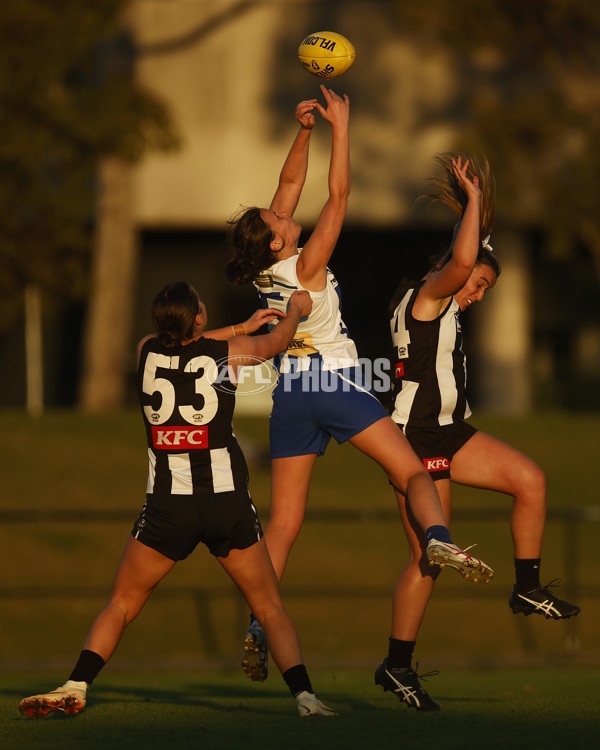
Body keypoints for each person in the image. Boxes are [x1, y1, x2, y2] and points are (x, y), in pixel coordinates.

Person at [225, 86, 494, 686]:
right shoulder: (306, 263)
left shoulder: (269, 267)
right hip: (336, 382)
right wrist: (342, 128)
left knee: (286, 522)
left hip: (289, 393)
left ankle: (258, 624)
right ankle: (440, 538)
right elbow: (338, 196)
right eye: (277, 219)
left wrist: (304, 131)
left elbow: (289, 184)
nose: (283, 209)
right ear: (276, 240)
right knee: (415, 474)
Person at [18, 281, 337, 719]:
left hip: (168, 506)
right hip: (224, 501)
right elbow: (278, 341)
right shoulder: (229, 355)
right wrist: (295, 311)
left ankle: (76, 683)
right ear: (199, 319)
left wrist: (238, 327)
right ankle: (305, 698)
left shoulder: (145, 349)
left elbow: (190, 342)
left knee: (123, 602)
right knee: (268, 606)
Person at [379, 152, 580, 711]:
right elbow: (464, 258)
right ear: (453, 270)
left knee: (530, 480)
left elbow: (465, 252)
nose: (479, 291)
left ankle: (527, 587)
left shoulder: (438, 296)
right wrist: (471, 203)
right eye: (480, 283)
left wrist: (471, 212)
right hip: (414, 443)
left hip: (452, 432)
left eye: (487, 287)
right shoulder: (428, 295)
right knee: (429, 556)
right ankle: (396, 667)